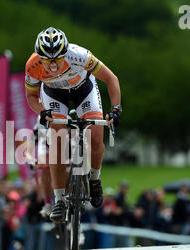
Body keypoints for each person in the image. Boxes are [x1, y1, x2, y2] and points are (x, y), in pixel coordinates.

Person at [25, 27, 122, 223]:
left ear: (66, 52)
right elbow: (32, 96)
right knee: (57, 143)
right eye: (47, 60)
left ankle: (94, 178)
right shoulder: (33, 65)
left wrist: (116, 109)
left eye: (57, 59)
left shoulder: (80, 56)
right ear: (39, 56)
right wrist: (41, 111)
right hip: (54, 95)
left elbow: (111, 79)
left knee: (96, 138)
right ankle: (59, 199)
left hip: (84, 90)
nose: (52, 65)